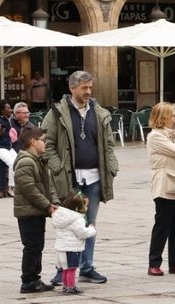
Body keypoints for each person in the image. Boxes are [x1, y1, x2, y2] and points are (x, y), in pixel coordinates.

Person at [42, 70, 118, 286]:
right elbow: (46, 143)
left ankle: (86, 267)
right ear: (72, 88)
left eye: (90, 88)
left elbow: (108, 144)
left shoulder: (99, 112)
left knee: (89, 223)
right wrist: (58, 167)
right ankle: (62, 270)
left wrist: (112, 165)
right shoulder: (57, 113)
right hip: (69, 178)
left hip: (94, 178)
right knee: (67, 225)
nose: (88, 92)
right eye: (84, 88)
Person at [146, 102, 175, 276]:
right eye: (173, 115)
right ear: (163, 118)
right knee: (162, 226)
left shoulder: (171, 135)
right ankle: (154, 263)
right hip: (164, 185)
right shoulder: (155, 136)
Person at [13, 125, 58, 294]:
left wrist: (54, 202)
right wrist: (47, 205)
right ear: (33, 141)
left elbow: (48, 185)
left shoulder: (38, 160)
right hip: (28, 212)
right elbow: (29, 189)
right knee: (32, 246)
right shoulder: (26, 161)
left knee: (37, 245)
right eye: (43, 140)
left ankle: (34, 278)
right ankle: (28, 281)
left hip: (36, 211)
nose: (45, 143)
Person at [52, 191, 95, 295]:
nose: (87, 208)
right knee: (72, 269)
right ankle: (71, 287)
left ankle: (66, 286)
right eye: (86, 206)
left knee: (65, 269)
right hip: (72, 248)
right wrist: (92, 229)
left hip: (61, 247)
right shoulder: (77, 219)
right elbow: (82, 233)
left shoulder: (59, 216)